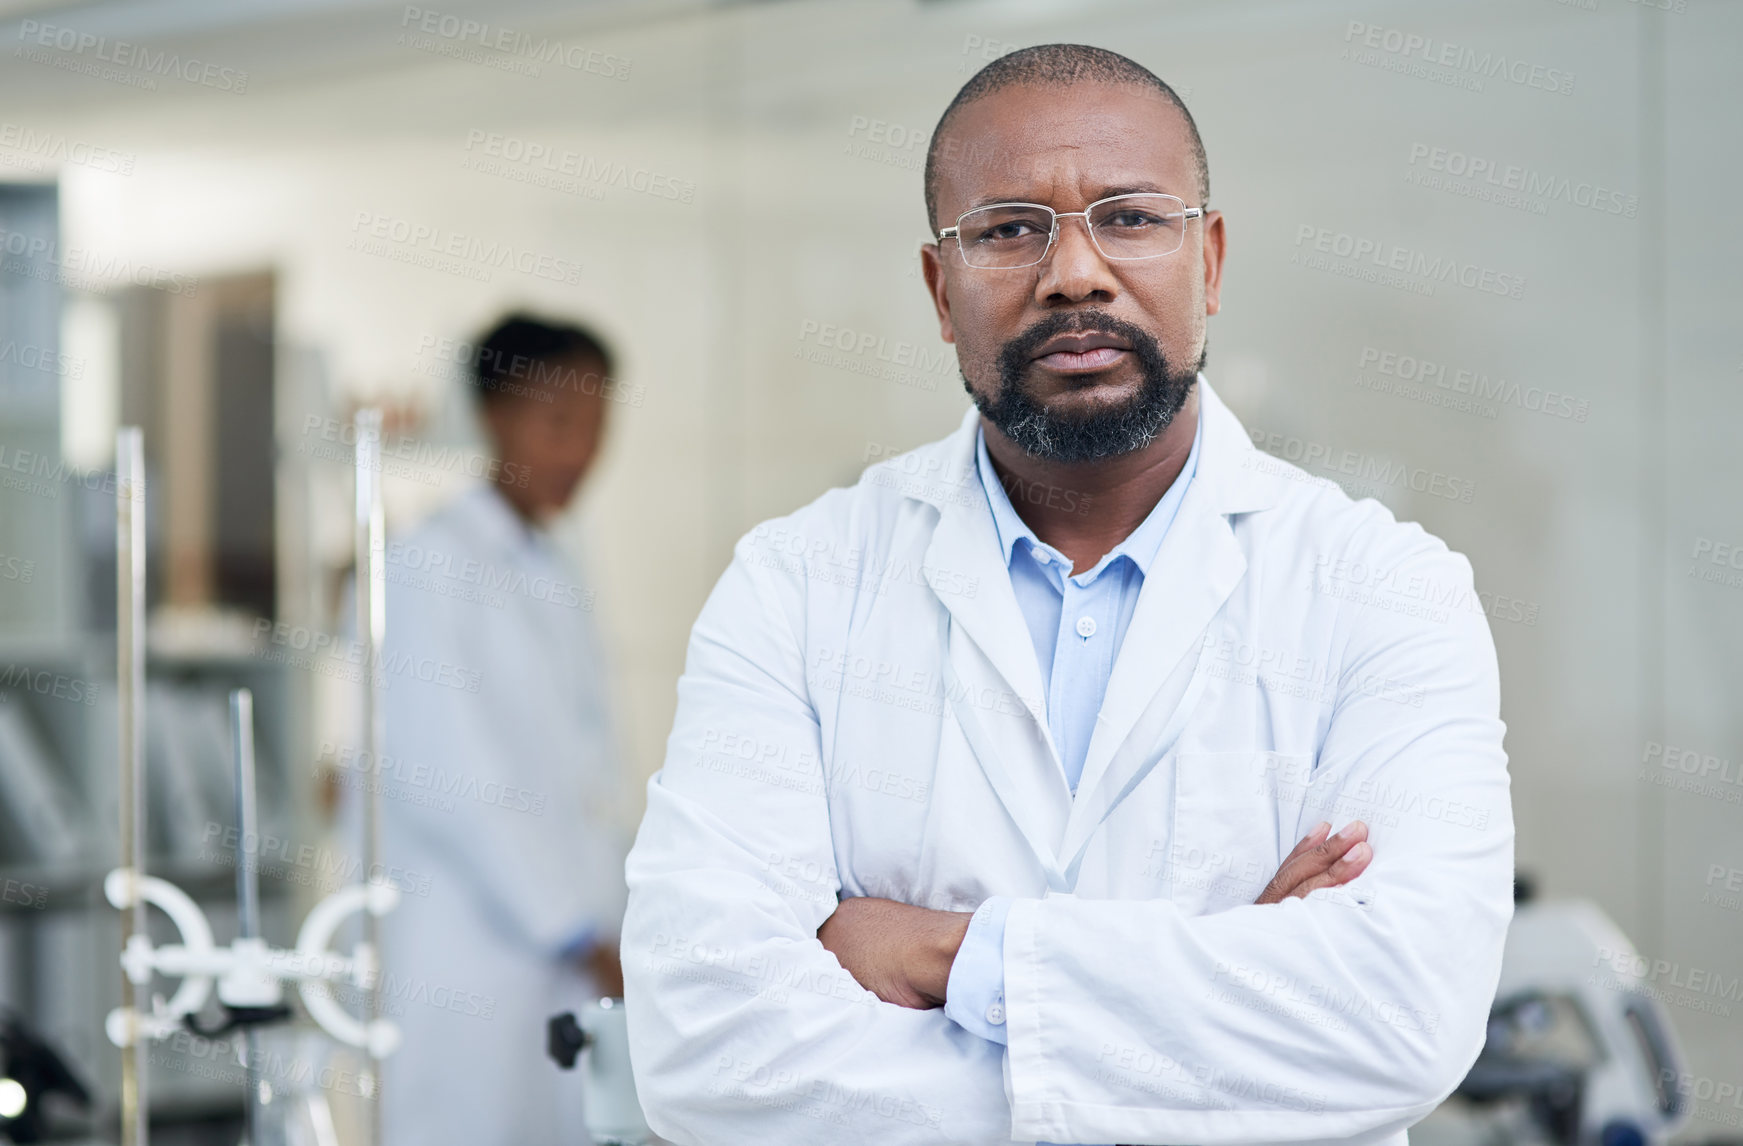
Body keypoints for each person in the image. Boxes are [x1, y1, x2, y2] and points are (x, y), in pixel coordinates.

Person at [622, 44, 1513, 1146]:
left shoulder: (1383, 587)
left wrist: (956, 959)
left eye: (1132, 217)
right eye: (1007, 230)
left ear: (1213, 262)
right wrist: (1227, 975)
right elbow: (704, 1052)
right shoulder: (795, 586)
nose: (1076, 273)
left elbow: (1399, 1017)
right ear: (940, 290)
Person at [369, 315, 629, 1146]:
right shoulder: (429, 566)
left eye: (595, 427)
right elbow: (453, 780)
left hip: (562, 950)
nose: (580, 450)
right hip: (466, 952)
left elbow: (581, 772)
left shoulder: (550, 565)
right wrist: (576, 927)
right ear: (492, 416)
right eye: (557, 423)